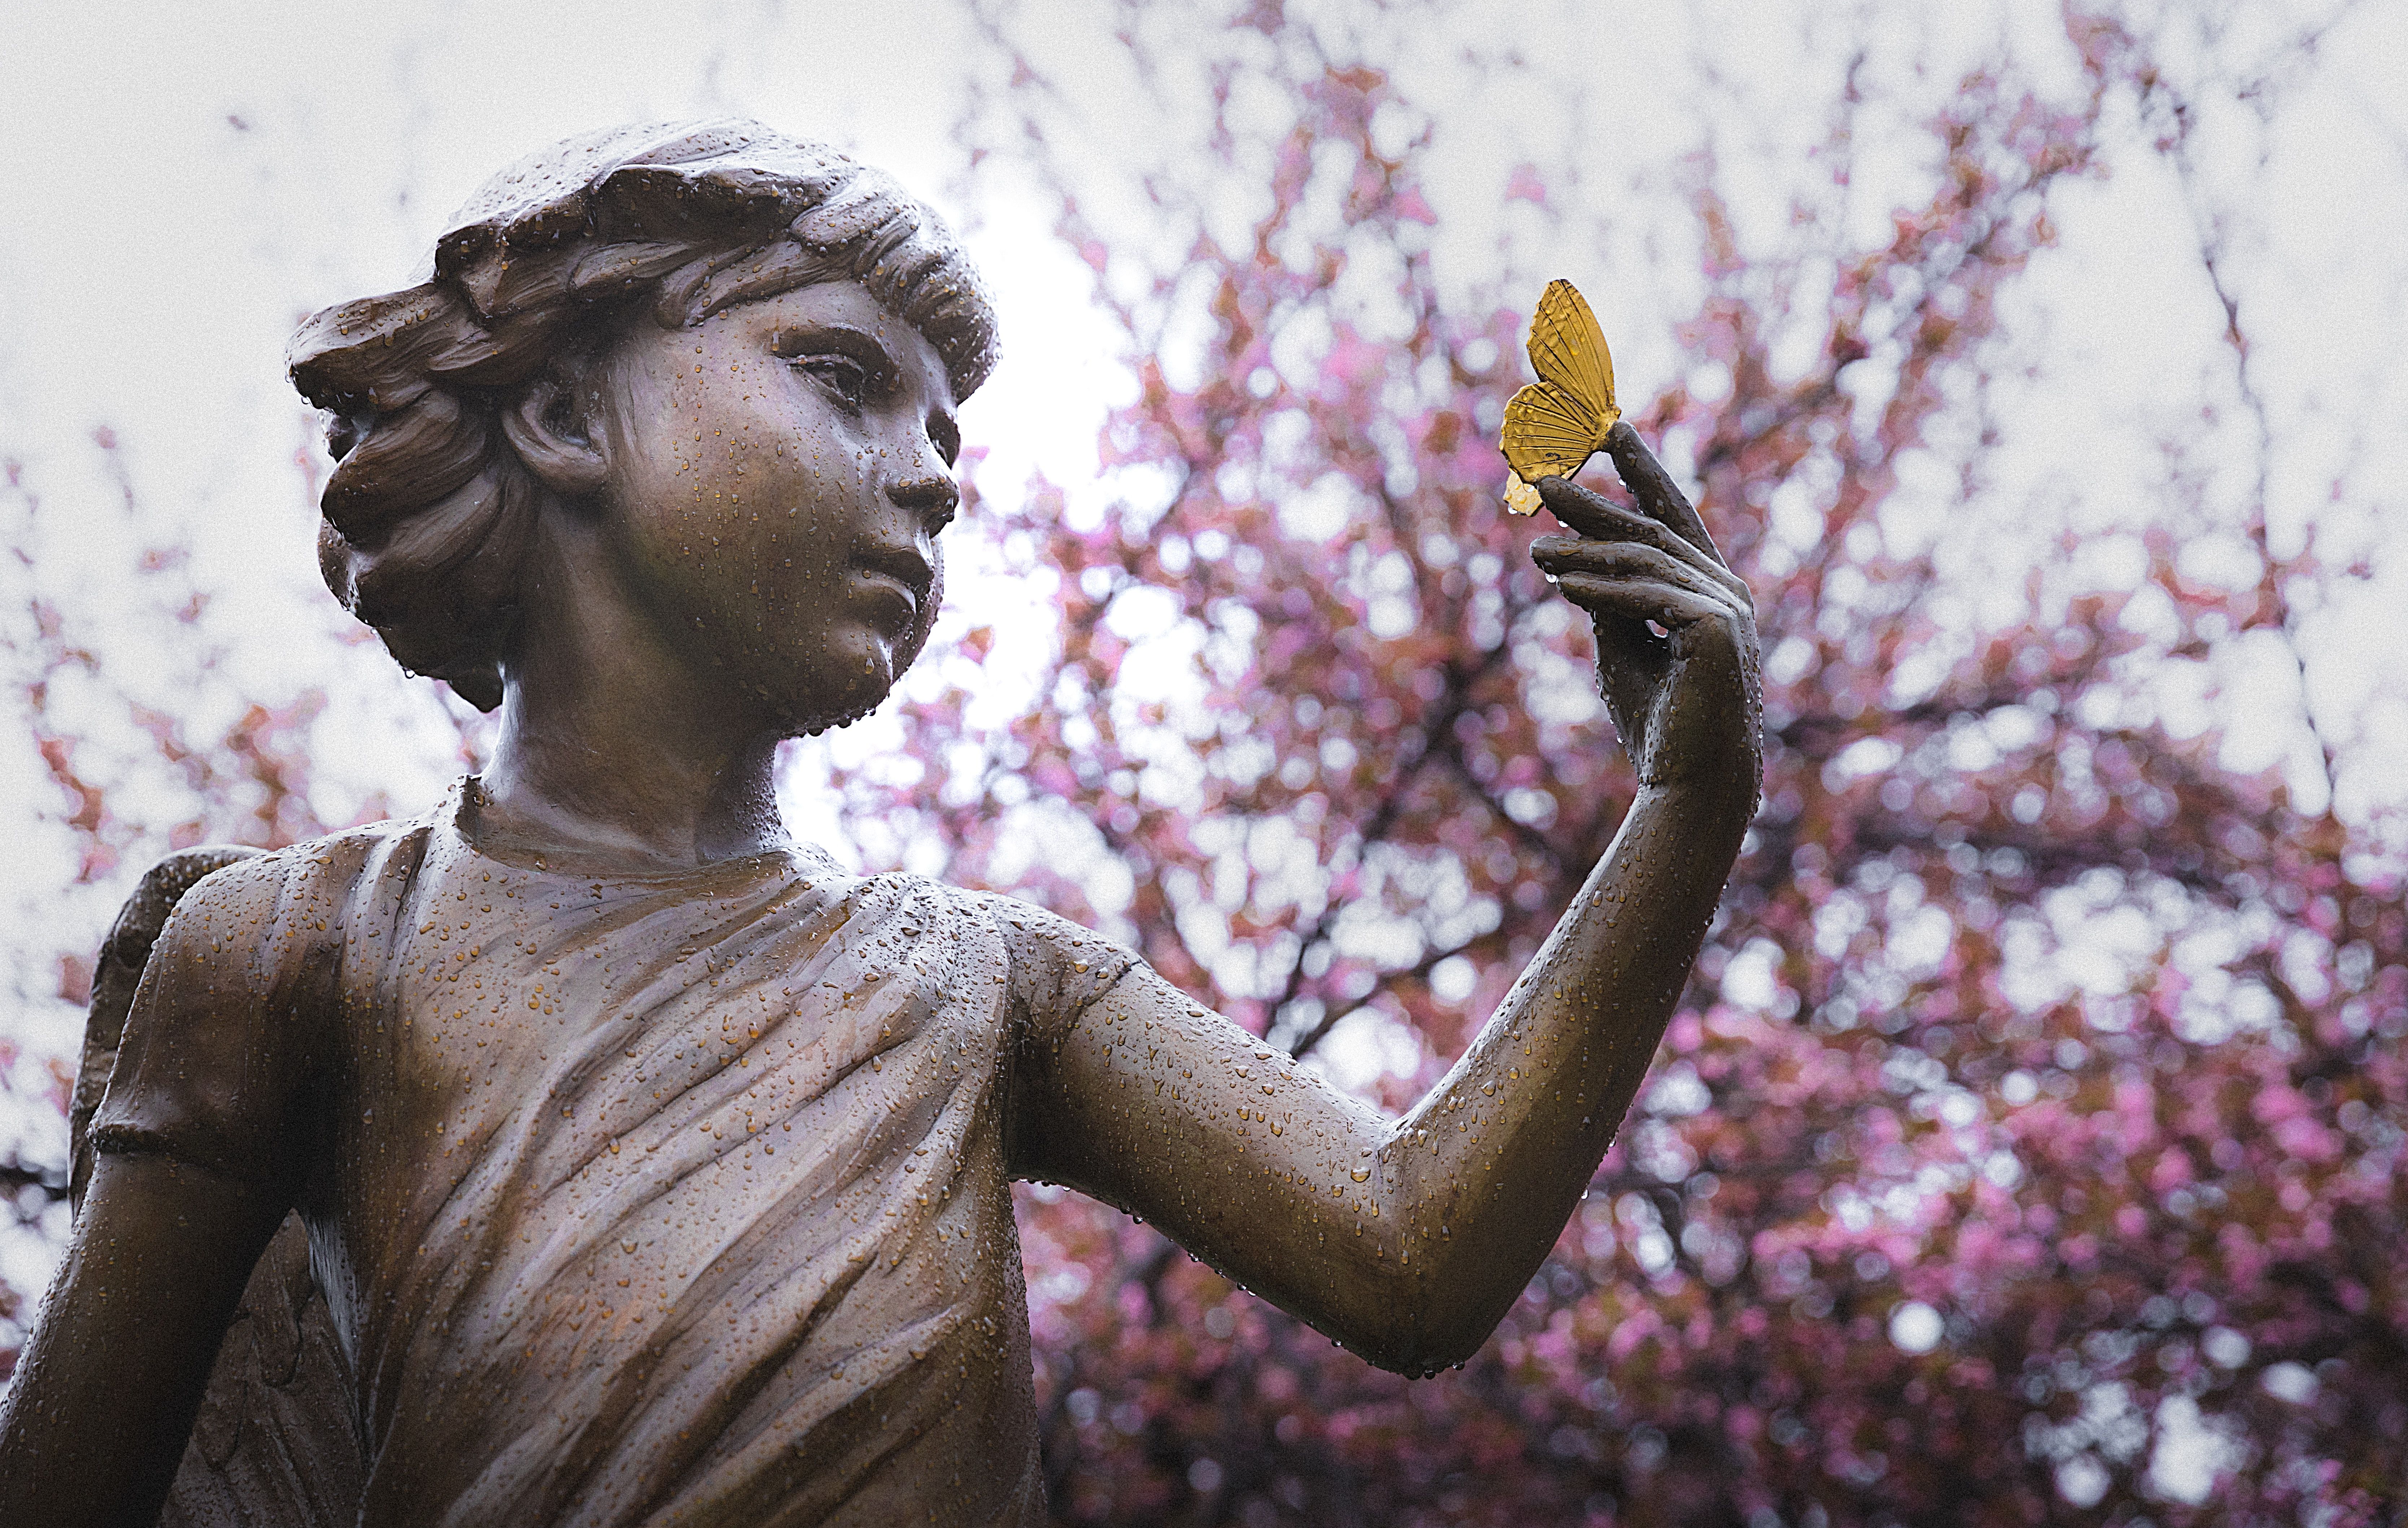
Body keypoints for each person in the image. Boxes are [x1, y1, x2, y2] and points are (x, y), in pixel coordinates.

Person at [0, 120, 1762, 1528]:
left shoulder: (991, 983)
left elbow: (1410, 1251)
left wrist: (1683, 809)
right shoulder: (295, 952)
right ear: (555, 411)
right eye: (843, 377)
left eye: (949, 429)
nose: (933, 471)